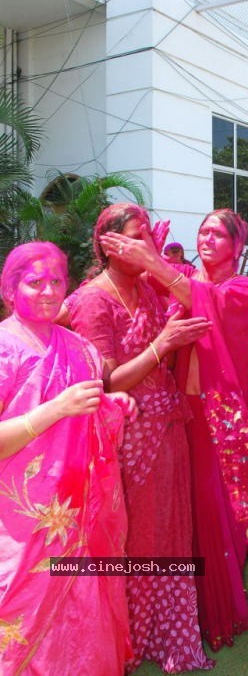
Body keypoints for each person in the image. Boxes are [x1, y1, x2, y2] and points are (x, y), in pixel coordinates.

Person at [98, 207, 248, 651]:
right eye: (202, 231)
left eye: (218, 235)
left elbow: (202, 301)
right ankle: (190, 608)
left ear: (236, 247)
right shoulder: (177, 275)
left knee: (220, 512)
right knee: (184, 516)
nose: (207, 239)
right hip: (176, 414)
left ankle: (222, 610)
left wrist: (154, 263)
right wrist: (144, 260)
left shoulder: (243, 288)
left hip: (219, 416)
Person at [68, 204, 214, 673]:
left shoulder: (149, 286)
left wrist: (158, 265)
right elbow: (108, 382)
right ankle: (130, 632)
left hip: (168, 426)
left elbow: (200, 302)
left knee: (171, 530)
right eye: (135, 236)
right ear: (109, 244)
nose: (144, 242)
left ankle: (167, 632)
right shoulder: (94, 300)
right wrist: (161, 346)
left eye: (148, 235)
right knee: (137, 536)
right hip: (127, 434)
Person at [0, 241, 135, 676]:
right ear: (9, 289)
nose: (46, 291)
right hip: (23, 526)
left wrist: (113, 403)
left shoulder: (80, 349)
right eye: (33, 282)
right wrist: (56, 408)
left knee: (82, 624)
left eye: (55, 281)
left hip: (81, 517)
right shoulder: (5, 350)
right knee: (21, 617)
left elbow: (87, 415)